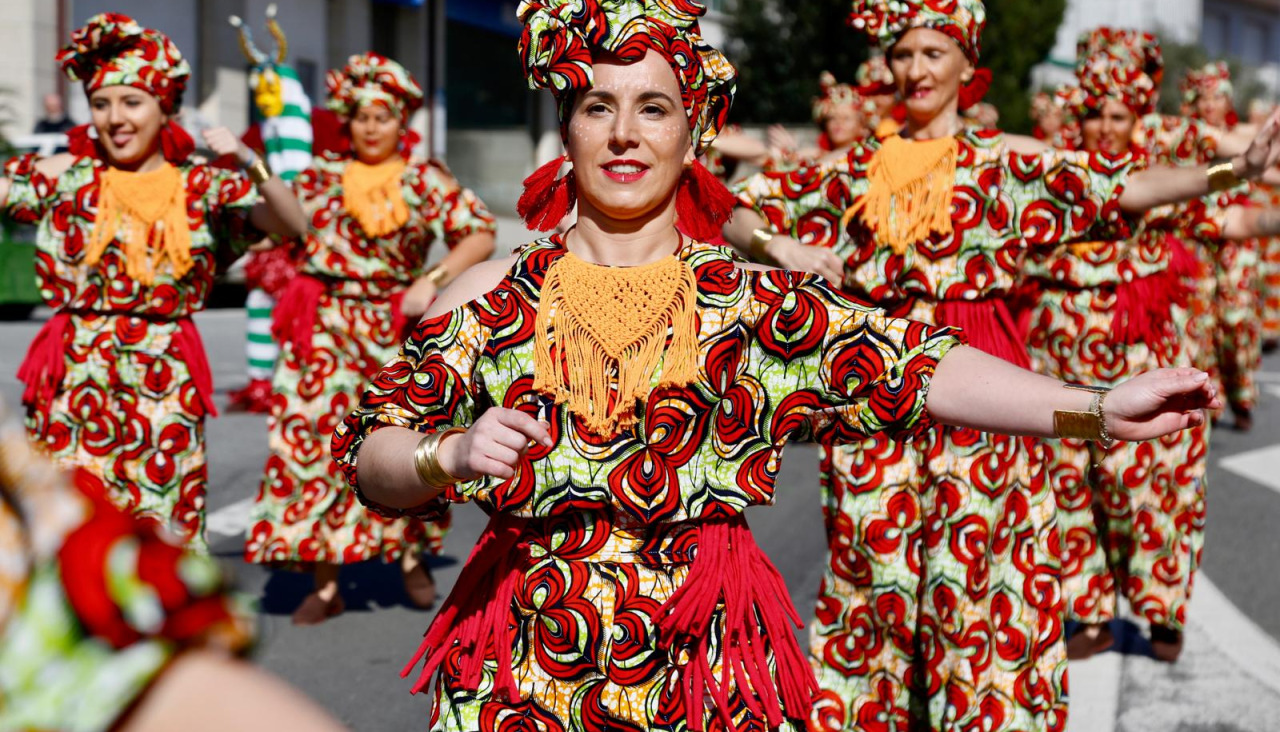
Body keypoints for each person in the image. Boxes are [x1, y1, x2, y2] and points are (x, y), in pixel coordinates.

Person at [333, 2, 1223, 730]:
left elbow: (924, 368)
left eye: (654, 107)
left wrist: (1097, 409)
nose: (624, 134)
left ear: (694, 132)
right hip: (522, 670)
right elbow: (373, 456)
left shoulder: (756, 306)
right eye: (598, 105)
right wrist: (442, 457)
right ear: (565, 126)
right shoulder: (491, 296)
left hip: (700, 671)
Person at [725, 2, 1280, 729]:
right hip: (877, 400)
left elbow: (1125, 187)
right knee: (873, 577)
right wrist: (780, 247)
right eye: (904, 53)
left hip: (984, 395)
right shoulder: (847, 172)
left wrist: (1232, 169)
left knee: (980, 582)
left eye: (933, 52)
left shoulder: (1007, 162)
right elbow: (727, 206)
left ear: (966, 66)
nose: (916, 68)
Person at [0, 13, 307, 553]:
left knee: (162, 542)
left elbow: (292, 224)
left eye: (132, 101)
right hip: (70, 384)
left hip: (162, 387)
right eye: (101, 104)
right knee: (65, 540)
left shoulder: (205, 186)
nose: (115, 118)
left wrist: (249, 161)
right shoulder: (65, 176)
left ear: (165, 105)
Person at [1025, 32, 1280, 663]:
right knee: (1067, 483)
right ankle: (1086, 613)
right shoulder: (1055, 174)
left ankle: (1163, 608)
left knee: (1155, 489)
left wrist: (1262, 200)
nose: (1104, 126)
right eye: (1093, 113)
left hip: (1149, 353)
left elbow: (1221, 202)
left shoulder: (1162, 175)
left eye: (1118, 114)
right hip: (1059, 354)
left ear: (1138, 112)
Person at [244, 51, 497, 625]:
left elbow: (478, 232)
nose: (371, 126)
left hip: (394, 328)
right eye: (361, 116)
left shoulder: (423, 178)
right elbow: (281, 221)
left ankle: (409, 555)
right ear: (348, 120)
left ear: (401, 120)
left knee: (399, 443)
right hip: (324, 329)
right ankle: (326, 581)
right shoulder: (318, 178)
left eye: (383, 115)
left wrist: (429, 280)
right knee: (312, 446)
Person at [0, 400, 347, 732]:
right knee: (96, 488)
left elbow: (54, 580)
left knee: (153, 502)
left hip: (149, 367)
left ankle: (332, 578)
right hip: (88, 367)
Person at [1183, 61, 1265, 429]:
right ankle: (1210, 395)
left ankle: (1242, 393)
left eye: (1219, 96)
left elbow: (1261, 151)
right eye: (1204, 97)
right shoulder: (1187, 138)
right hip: (1198, 238)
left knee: (1235, 320)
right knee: (1201, 322)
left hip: (1236, 241)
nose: (1212, 104)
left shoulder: (1238, 134)